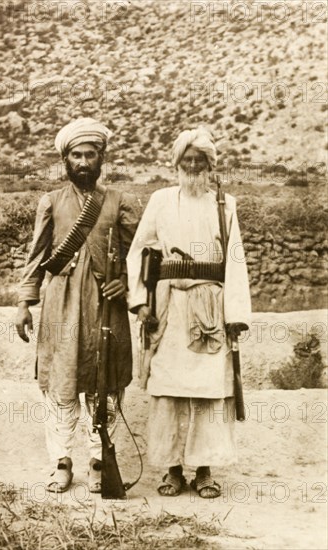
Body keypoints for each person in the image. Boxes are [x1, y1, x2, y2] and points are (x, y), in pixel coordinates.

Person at [15, 117, 141, 493]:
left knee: (106, 385)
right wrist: (24, 302)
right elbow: (36, 256)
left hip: (106, 307)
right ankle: (62, 462)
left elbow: (143, 253)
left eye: (91, 154)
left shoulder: (120, 201)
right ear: (65, 159)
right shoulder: (50, 202)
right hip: (61, 304)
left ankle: (99, 460)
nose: (84, 162)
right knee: (61, 384)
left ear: (102, 158)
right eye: (76, 155)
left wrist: (128, 283)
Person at [126, 127, 251, 498]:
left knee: (210, 390)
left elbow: (235, 260)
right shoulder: (161, 200)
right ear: (177, 163)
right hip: (169, 309)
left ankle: (205, 470)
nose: (193, 165)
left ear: (211, 165)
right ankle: (172, 470)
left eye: (200, 160)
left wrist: (235, 316)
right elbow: (140, 251)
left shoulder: (224, 205)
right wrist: (141, 303)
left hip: (210, 309)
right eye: (187, 159)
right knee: (168, 390)